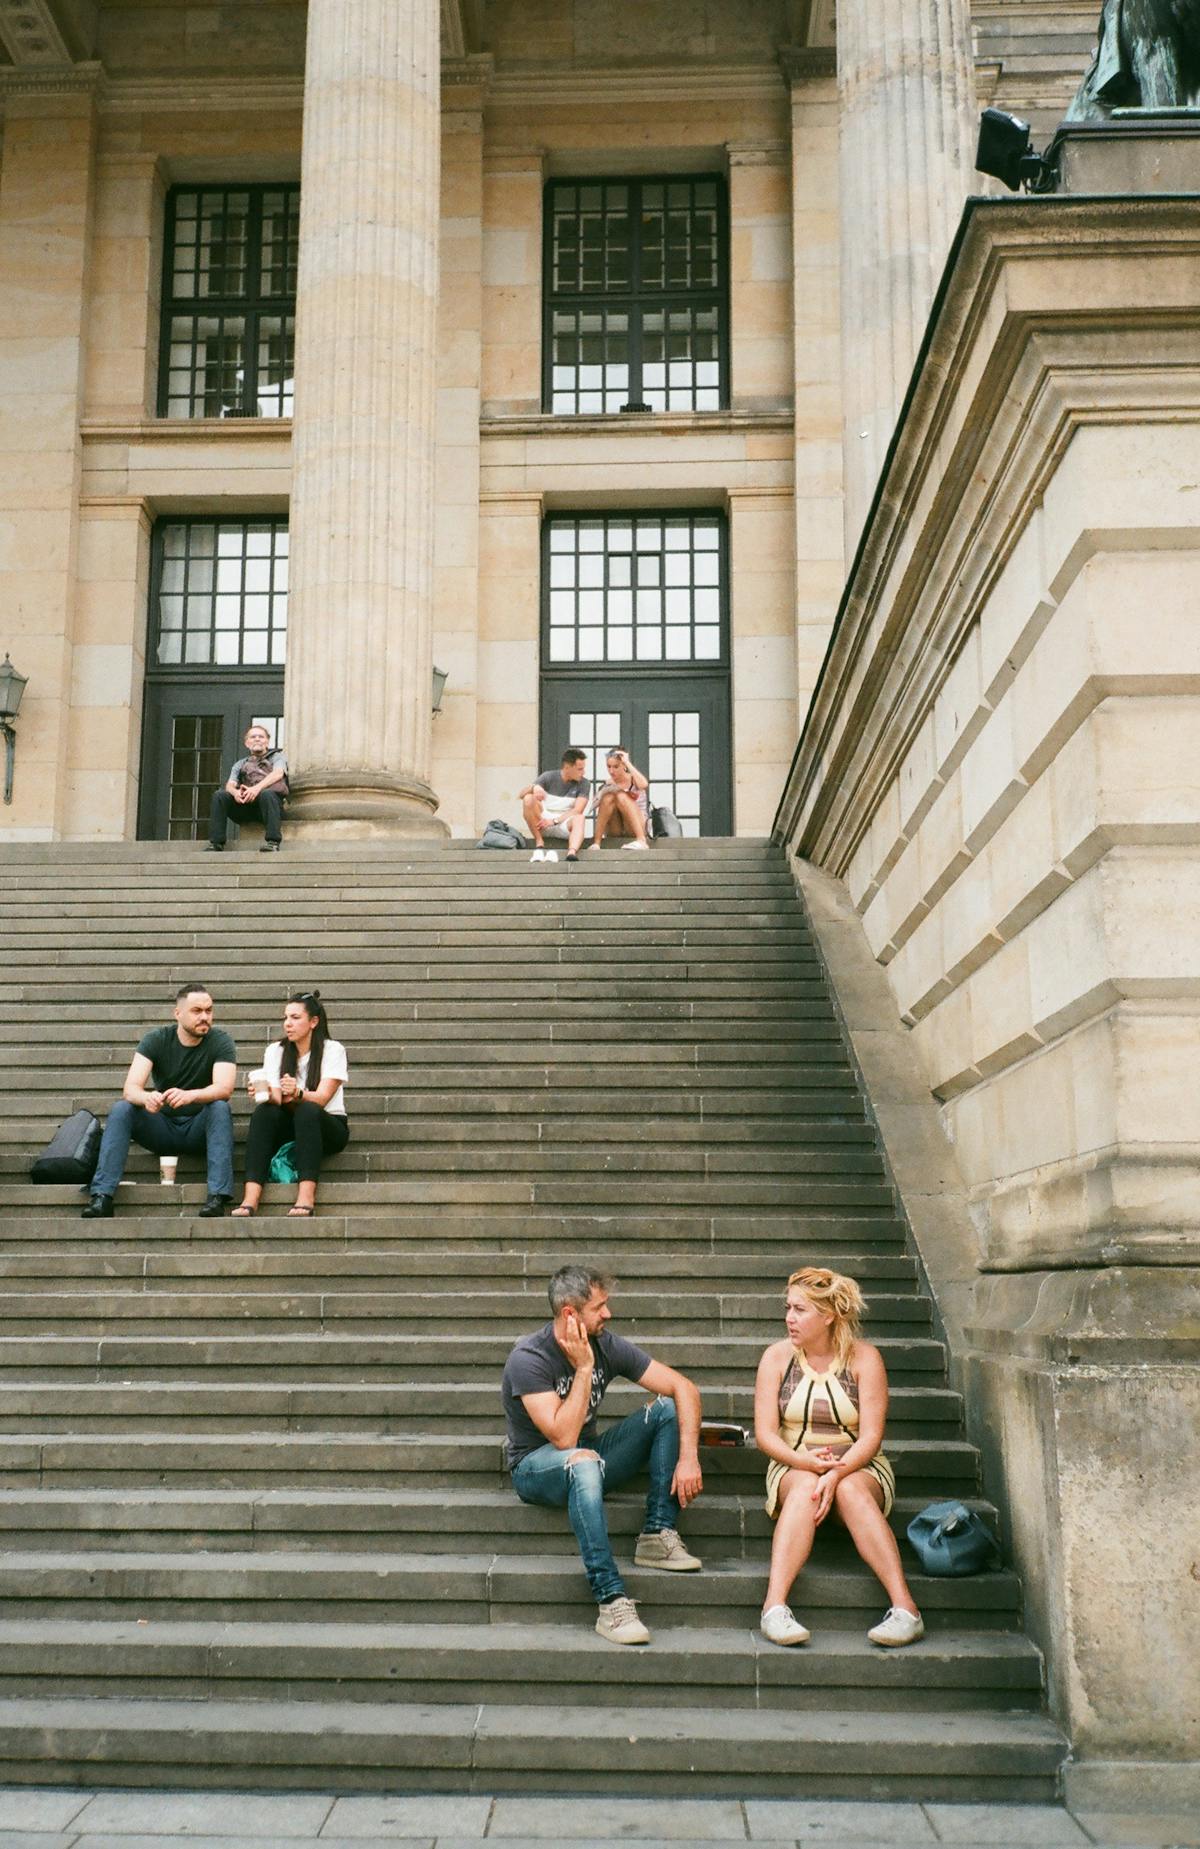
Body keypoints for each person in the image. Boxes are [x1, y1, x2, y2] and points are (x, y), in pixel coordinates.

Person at [502, 1263, 704, 1647]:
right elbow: (563, 1438)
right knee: (582, 1460)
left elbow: (684, 1387)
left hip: (588, 1456)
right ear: (570, 1313)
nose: (608, 1314)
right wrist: (584, 1368)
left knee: (666, 1408)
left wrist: (689, 1456)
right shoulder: (529, 1358)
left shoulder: (606, 1343)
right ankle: (610, 1599)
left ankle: (656, 1534)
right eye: (599, 1307)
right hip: (535, 1468)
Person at [754, 1266, 924, 1649]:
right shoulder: (776, 1358)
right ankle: (774, 1608)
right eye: (788, 1308)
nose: (789, 1318)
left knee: (849, 1491)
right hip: (793, 1462)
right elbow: (765, 1435)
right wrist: (810, 1466)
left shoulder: (865, 1359)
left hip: (860, 1464)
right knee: (804, 1490)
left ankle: (906, 1610)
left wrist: (836, 1472)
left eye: (800, 1310)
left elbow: (872, 1436)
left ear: (827, 1315)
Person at [82, 983, 236, 1219]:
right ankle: (102, 1195)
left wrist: (191, 1095)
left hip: (199, 1129)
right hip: (162, 1128)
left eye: (209, 1010)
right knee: (123, 1109)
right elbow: (130, 1088)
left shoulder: (220, 1041)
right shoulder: (156, 1039)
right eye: (197, 1011)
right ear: (178, 1013)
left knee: (219, 1107)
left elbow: (224, 1088)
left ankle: (217, 1196)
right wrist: (147, 1097)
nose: (205, 1017)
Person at [233, 991, 350, 1218]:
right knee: (264, 1112)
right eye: (286, 1018)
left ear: (313, 1022)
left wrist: (297, 1092)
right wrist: (263, 1092)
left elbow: (322, 1098)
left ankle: (306, 1197)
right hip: (290, 1123)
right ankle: (250, 1199)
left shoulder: (333, 1050)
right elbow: (277, 1099)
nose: (288, 1024)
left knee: (307, 1109)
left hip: (329, 1126)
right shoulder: (276, 1051)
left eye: (295, 1018)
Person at [207, 723, 288, 854]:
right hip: (247, 807)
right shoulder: (240, 764)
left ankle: (273, 842)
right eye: (253, 737)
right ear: (247, 743)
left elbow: (278, 773)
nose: (257, 739)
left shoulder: (277, 757)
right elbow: (230, 785)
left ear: (267, 741)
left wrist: (256, 789)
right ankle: (216, 843)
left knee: (267, 794)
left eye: (261, 737)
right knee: (219, 795)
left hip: (270, 808)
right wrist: (235, 793)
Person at [518, 748, 591, 863]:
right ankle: (539, 842)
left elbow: (577, 810)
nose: (583, 772)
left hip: (565, 822)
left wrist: (555, 821)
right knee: (528, 798)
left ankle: (572, 852)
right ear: (567, 767)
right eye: (580, 769)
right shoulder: (548, 777)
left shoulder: (584, 783)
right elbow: (520, 795)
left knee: (580, 818)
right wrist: (534, 787)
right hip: (542, 822)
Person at [587, 749, 650, 852]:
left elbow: (644, 784)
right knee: (608, 797)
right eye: (609, 766)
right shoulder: (608, 783)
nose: (611, 771)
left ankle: (641, 840)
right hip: (616, 828)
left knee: (621, 796)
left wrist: (627, 762)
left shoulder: (634, 779)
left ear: (624, 766)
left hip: (636, 825)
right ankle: (596, 842)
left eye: (616, 767)